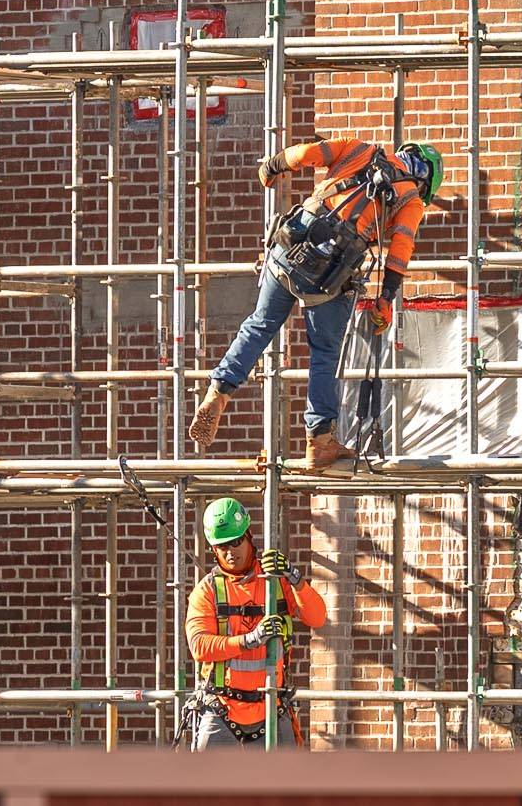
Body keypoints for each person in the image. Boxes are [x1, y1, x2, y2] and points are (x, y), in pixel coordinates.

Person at [187, 136, 443, 471]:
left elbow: (306, 154)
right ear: (425, 181)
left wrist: (272, 166)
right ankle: (319, 440)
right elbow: (400, 252)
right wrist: (385, 299)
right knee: (324, 352)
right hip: (328, 277)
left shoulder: (360, 149)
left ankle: (217, 392)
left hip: (286, 251)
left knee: (259, 324)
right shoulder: (410, 198)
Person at [185, 497, 327, 749]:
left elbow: (316, 617)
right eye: (222, 546)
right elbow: (199, 646)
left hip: (272, 707)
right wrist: (250, 639)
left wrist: (293, 577)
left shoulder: (275, 582)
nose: (231, 552)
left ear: (249, 536)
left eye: (236, 542)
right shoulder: (207, 591)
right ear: (213, 549)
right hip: (222, 710)